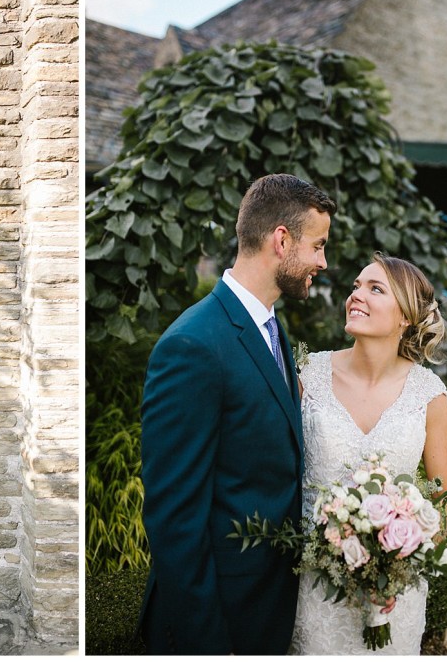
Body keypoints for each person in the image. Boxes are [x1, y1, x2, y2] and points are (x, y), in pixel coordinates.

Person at [139, 173, 336, 654]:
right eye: (318, 246)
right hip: (219, 619)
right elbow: (173, 519)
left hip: (266, 608)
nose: (323, 262)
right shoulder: (192, 345)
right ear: (281, 240)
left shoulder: (271, 328)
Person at [290, 253, 447, 655]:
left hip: (395, 597)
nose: (356, 296)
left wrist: (398, 564)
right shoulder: (307, 377)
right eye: (356, 287)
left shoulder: (429, 396)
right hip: (314, 587)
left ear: (405, 316)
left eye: (375, 288)